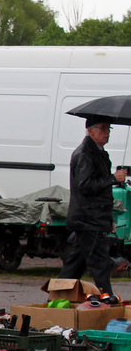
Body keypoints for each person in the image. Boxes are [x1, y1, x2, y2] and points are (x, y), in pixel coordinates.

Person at [59, 116, 119, 300]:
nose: (106, 132)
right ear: (90, 130)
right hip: (88, 219)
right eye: (102, 128)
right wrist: (113, 178)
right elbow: (85, 186)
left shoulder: (100, 153)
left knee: (76, 264)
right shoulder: (85, 154)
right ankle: (106, 299)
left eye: (109, 128)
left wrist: (109, 219)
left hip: (92, 218)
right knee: (99, 263)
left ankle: (57, 296)